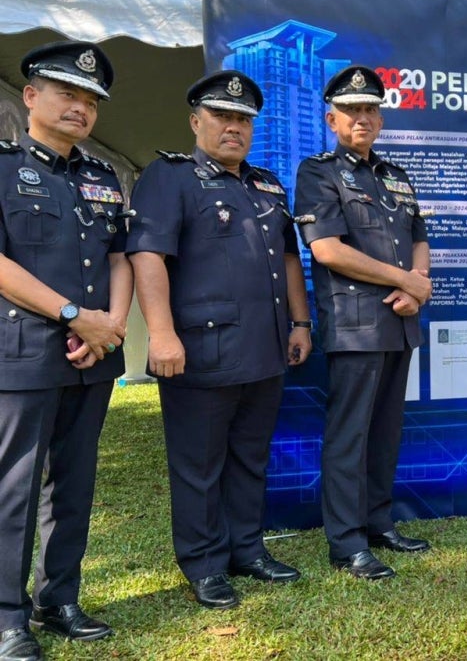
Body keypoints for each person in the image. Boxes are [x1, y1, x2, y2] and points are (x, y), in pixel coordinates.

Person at [127, 70, 312, 610]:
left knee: (250, 457)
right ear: (196, 121)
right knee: (199, 463)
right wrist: (160, 334)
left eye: (243, 120)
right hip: (199, 352)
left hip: (265, 347)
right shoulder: (170, 177)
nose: (233, 127)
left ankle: (247, 550)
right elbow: (147, 255)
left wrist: (301, 323)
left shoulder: (266, 185)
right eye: (222, 116)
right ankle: (205, 563)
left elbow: (287, 258)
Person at [0, 41, 131, 661]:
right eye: (67, 94)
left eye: (90, 101)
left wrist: (112, 325)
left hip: (96, 351)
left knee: (74, 482)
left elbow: (118, 256)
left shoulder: (101, 176)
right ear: (31, 97)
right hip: (25, 351)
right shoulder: (1, 166)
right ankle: (8, 616)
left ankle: (60, 599)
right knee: (16, 487)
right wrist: (77, 315)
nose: (80, 108)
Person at [294, 65, 431, 581]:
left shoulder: (395, 174)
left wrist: (417, 283)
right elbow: (327, 250)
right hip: (355, 326)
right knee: (350, 436)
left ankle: (379, 523)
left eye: (371, 109)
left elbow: (418, 234)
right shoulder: (318, 173)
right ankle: (346, 542)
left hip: (399, 322)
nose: (363, 118)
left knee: (386, 432)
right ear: (332, 118)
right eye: (352, 110)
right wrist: (407, 279)